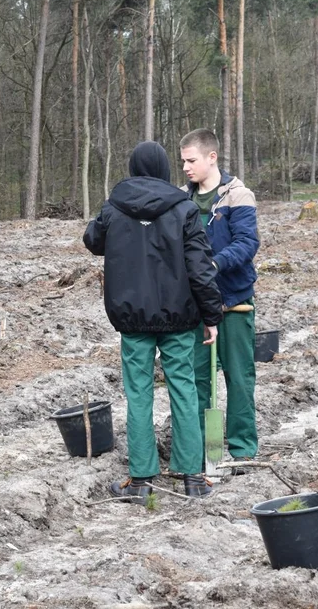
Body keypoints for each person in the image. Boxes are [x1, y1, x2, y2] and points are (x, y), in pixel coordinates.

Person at [83, 141, 223, 501]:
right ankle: (193, 477)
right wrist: (212, 315)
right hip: (178, 319)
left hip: (132, 321)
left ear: (132, 168)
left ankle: (141, 481)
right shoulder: (185, 209)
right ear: (164, 169)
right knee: (184, 390)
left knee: (139, 396)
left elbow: (93, 240)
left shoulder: (114, 206)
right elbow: (200, 269)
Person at [180, 128, 260, 471]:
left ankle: (242, 449)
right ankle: (203, 452)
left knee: (240, 378)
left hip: (234, 303)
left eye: (191, 160)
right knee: (198, 380)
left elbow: (247, 243)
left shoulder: (238, 196)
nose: (185, 167)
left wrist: (212, 265)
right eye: (182, 161)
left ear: (212, 157)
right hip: (196, 308)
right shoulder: (181, 200)